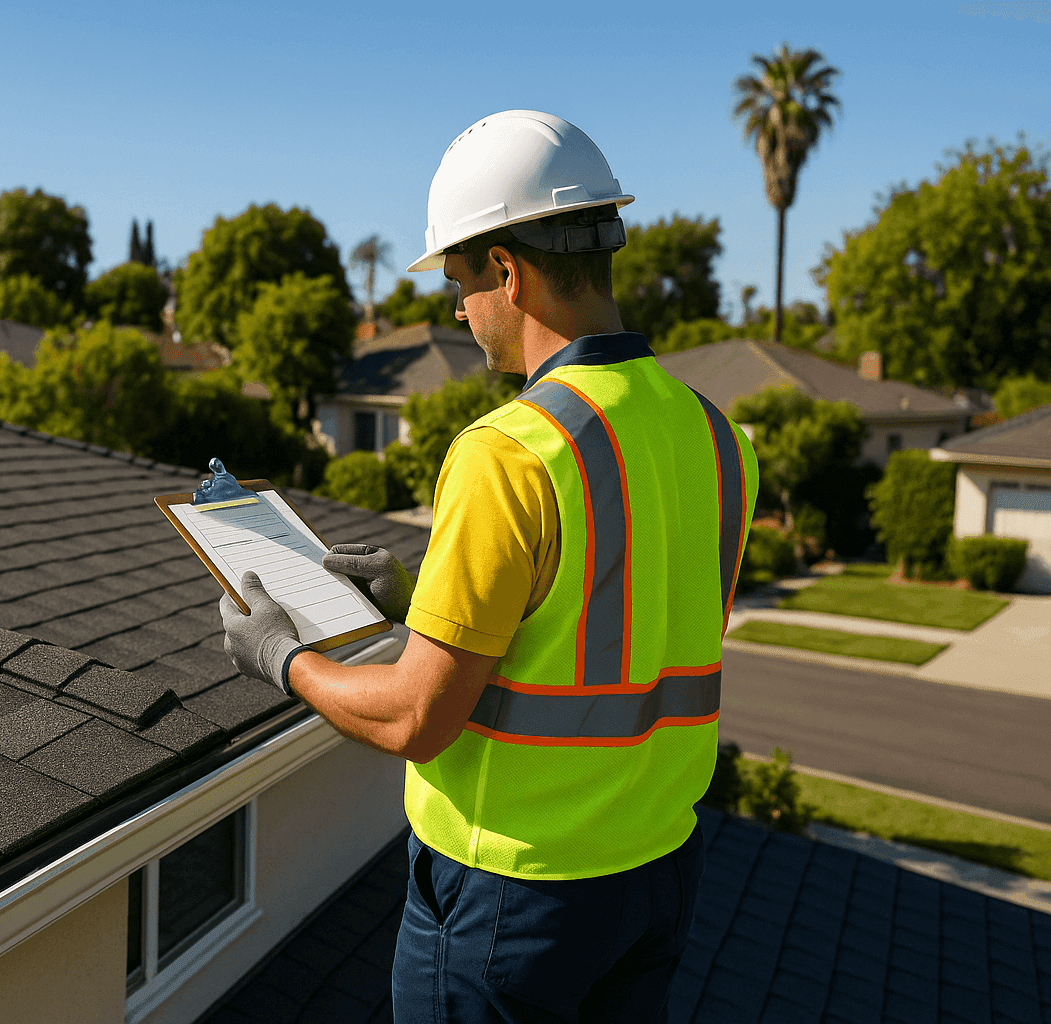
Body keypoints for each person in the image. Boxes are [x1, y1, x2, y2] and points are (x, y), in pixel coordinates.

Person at [219, 110, 757, 1023]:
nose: (459, 311)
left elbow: (418, 719)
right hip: (660, 875)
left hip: (517, 894)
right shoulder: (718, 436)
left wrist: (283, 657)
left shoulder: (509, 450)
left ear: (508, 271)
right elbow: (612, 614)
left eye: (461, 284)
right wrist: (424, 600)